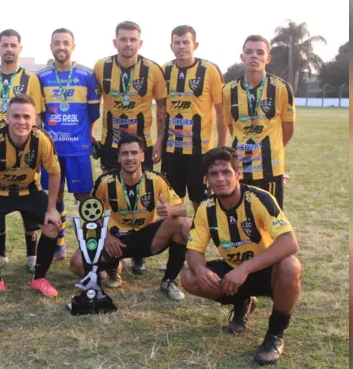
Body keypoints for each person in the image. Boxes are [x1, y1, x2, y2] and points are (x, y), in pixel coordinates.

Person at [181, 146, 302, 365]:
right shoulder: (205, 209)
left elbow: (289, 242)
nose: (220, 179)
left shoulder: (259, 198)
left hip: (264, 271)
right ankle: (242, 301)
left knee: (291, 266)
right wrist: (200, 270)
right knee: (189, 278)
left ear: (238, 174)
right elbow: (194, 252)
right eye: (214, 174)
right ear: (206, 179)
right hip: (233, 273)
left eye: (226, 172)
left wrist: (245, 269)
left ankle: (275, 335)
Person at [68, 133, 190, 300]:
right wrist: (106, 237)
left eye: (134, 153)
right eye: (125, 153)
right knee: (76, 264)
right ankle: (110, 267)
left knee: (183, 224)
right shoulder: (105, 182)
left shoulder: (156, 180)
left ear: (142, 156)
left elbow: (183, 209)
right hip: (116, 240)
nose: (129, 158)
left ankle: (168, 280)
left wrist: (171, 210)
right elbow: (92, 217)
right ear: (118, 158)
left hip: (147, 236)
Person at [93, 20, 167, 276]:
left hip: (141, 145)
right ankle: (114, 255)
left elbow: (163, 107)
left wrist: (158, 141)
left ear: (140, 42)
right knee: (114, 198)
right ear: (115, 42)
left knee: (143, 199)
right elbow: (94, 101)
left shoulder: (153, 70)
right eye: (123, 39)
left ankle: (138, 254)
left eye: (132, 39)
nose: (128, 44)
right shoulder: (101, 66)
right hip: (111, 145)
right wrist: (92, 133)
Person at [0, 94, 62, 300]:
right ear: (7, 117)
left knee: (52, 226)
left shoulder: (43, 139)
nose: (21, 122)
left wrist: (51, 208)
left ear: (34, 119)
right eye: (16, 116)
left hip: (29, 190)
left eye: (26, 117)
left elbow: (55, 172)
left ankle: (39, 278)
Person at [0, 29, 45, 266]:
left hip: (22, 147)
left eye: (13, 45)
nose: (9, 49)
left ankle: (32, 254)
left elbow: (36, 116)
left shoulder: (31, 80)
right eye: (4, 45)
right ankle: (1, 252)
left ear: (19, 49)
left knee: (27, 192)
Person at [36, 28, 101, 262]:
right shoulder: (41, 77)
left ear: (73, 46)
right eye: (57, 43)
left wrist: (88, 135)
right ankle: (59, 244)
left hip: (78, 150)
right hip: (52, 150)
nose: (61, 47)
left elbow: (93, 112)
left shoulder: (87, 75)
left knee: (85, 197)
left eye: (66, 43)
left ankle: (92, 245)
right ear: (51, 46)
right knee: (55, 197)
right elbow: (38, 114)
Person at [156, 25, 226, 212]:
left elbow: (222, 112)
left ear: (195, 44)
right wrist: (158, 142)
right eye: (177, 43)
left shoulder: (210, 70)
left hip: (200, 153)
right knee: (171, 203)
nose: (181, 47)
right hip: (172, 151)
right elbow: (161, 110)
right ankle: (180, 241)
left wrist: (221, 148)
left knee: (201, 204)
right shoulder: (164, 70)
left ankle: (201, 240)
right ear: (171, 46)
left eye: (185, 42)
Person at [222, 35, 296, 208]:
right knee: (242, 213)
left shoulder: (282, 88)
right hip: (239, 165)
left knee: (271, 216)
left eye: (259, 52)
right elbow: (232, 126)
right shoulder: (228, 90)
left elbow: (289, 129)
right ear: (242, 57)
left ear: (267, 58)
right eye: (249, 52)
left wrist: (271, 150)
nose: (254, 56)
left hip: (270, 167)